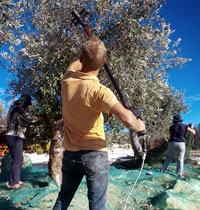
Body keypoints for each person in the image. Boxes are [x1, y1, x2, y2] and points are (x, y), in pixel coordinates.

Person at [53, 37, 145, 210]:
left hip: (70, 154)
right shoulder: (101, 92)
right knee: (97, 205)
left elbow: (73, 66)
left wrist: (88, 51)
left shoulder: (67, 81)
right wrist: (140, 125)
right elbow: (127, 119)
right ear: (104, 62)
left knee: (63, 199)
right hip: (95, 155)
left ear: (81, 58)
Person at [5, 94, 41, 189]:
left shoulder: (14, 108)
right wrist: (41, 116)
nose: (27, 106)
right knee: (17, 160)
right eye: (27, 104)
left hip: (11, 136)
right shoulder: (18, 109)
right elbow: (30, 118)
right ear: (24, 102)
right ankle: (14, 183)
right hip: (15, 136)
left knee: (18, 159)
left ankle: (16, 179)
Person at [160, 114, 196, 178]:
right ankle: (180, 174)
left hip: (172, 142)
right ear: (180, 120)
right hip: (181, 143)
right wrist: (191, 128)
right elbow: (193, 132)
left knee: (169, 157)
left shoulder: (171, 127)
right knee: (180, 158)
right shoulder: (185, 126)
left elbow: (170, 135)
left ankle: (162, 169)